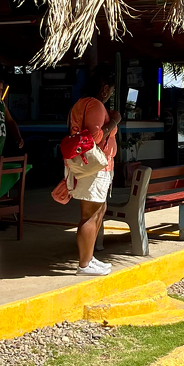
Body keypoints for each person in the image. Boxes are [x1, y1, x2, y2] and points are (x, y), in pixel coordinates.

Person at [64, 77, 117, 275]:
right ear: (104, 88)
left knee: (98, 211)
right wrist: (114, 121)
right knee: (89, 215)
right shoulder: (95, 105)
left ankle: (89, 257)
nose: (110, 94)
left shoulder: (81, 104)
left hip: (94, 167)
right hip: (94, 169)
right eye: (111, 90)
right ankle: (84, 264)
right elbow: (94, 137)